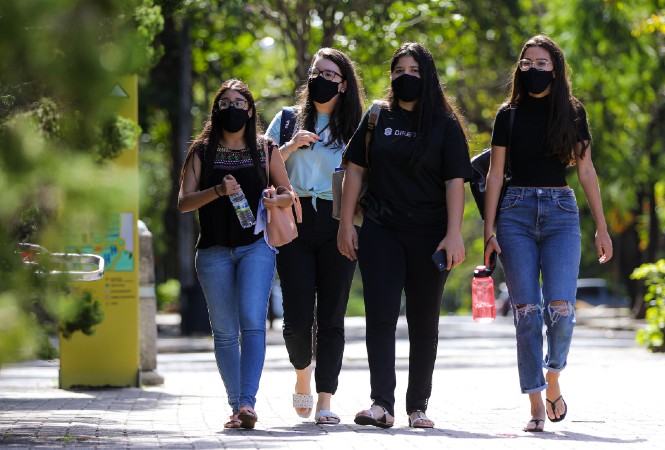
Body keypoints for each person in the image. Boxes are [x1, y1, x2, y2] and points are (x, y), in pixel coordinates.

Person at [482, 35, 613, 433]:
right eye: (527, 63)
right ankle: (536, 400)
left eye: (542, 63)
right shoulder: (508, 114)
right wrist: (488, 231)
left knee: (561, 310)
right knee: (527, 314)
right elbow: (493, 174)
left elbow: (586, 171)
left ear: (555, 69)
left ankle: (553, 375)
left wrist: (602, 227)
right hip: (515, 214)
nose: (533, 70)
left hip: (560, 213)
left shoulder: (572, 113)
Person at [337, 42, 472, 429]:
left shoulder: (445, 124)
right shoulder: (377, 116)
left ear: (427, 76)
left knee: (423, 321)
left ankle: (418, 407)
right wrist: (346, 224)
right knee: (380, 317)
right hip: (381, 230)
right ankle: (381, 404)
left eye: (414, 70)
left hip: (431, 235)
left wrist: (454, 235)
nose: (405, 77)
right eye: (399, 70)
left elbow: (454, 183)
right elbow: (355, 171)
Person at [177, 79, 294, 430]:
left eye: (240, 102)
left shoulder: (265, 148)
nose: (233, 108)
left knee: (252, 322)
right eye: (225, 102)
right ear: (216, 109)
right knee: (225, 332)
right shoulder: (202, 151)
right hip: (212, 253)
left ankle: (248, 403)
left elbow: (289, 194)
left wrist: (277, 199)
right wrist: (217, 190)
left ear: (251, 109)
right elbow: (184, 202)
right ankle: (236, 406)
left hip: (255, 247)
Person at [264, 48, 365, 425]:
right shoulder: (287, 120)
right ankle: (302, 374)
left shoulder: (356, 126)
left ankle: (325, 399)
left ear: (343, 85)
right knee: (296, 315)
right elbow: (263, 163)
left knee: (333, 316)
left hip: (339, 220)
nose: (320, 79)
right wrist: (290, 147)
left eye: (330, 74)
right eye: (316, 72)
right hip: (295, 219)